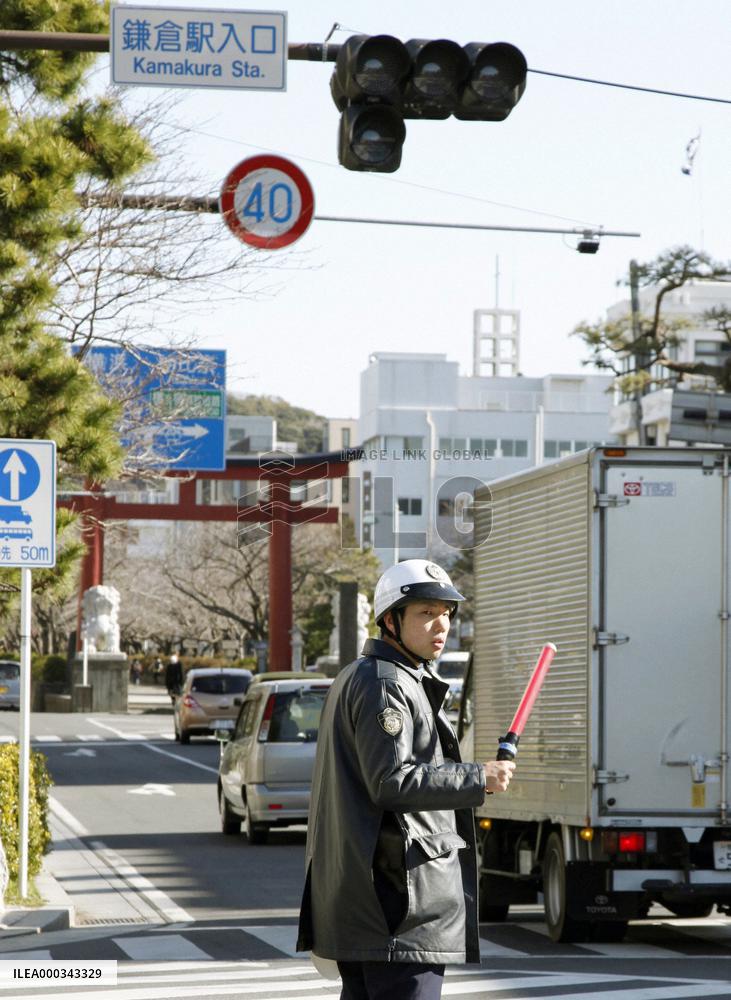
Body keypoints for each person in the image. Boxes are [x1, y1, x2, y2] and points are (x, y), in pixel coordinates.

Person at [297, 559, 515, 1000]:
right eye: (425, 612)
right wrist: (478, 777)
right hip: (398, 906)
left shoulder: (373, 676)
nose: (441, 624)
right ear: (390, 620)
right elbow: (392, 781)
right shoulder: (387, 683)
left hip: (374, 903)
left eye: (446, 613)